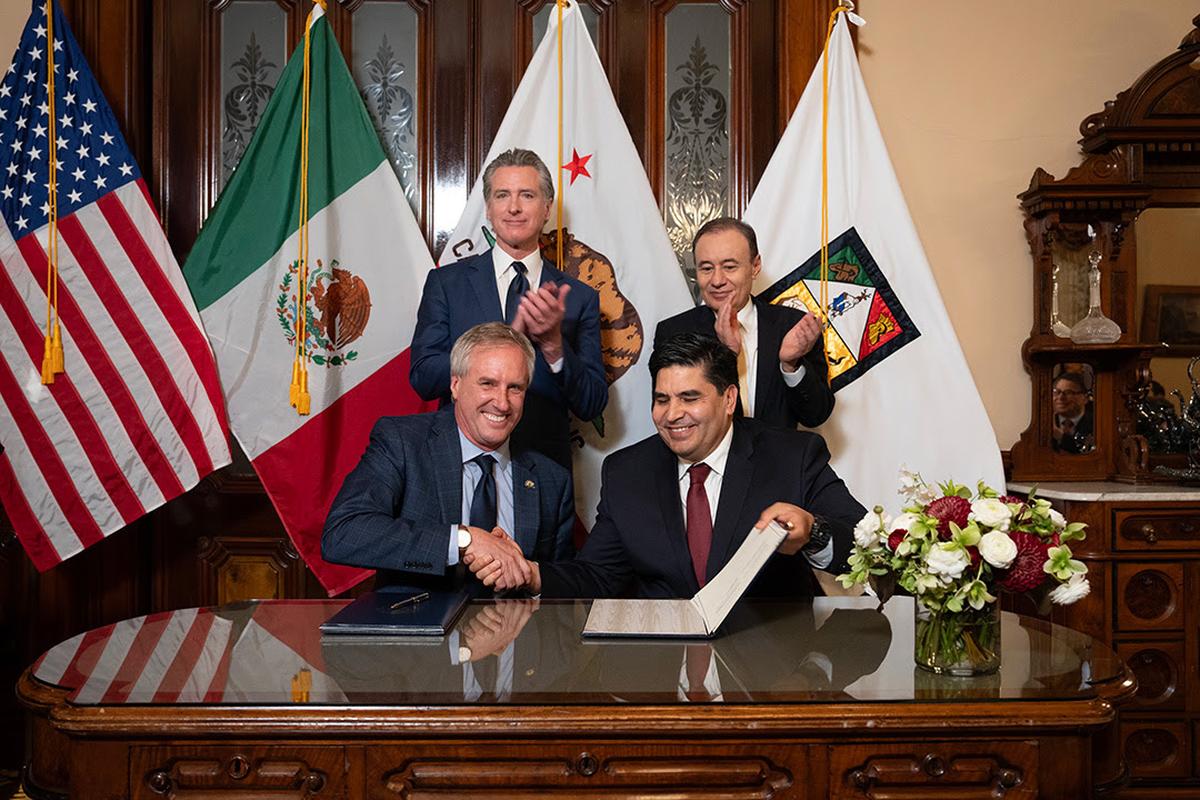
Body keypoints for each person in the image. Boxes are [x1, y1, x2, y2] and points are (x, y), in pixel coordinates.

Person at [483, 332, 864, 599]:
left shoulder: (792, 457)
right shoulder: (626, 472)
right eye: (662, 399)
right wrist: (532, 573)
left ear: (729, 399)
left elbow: (867, 549)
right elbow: (598, 575)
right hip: (665, 666)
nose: (672, 414)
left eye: (690, 397)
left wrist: (814, 532)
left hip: (771, 670)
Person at [323, 323, 575, 592]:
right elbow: (343, 533)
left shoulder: (551, 479)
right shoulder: (403, 443)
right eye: (488, 384)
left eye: (515, 388)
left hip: (515, 619)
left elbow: (561, 590)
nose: (502, 403)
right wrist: (464, 540)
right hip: (418, 618)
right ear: (455, 385)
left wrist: (526, 573)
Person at [410, 148, 608, 469]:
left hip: (543, 468)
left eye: (527, 195)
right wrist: (500, 343)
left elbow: (592, 403)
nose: (514, 207)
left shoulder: (579, 298)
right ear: (489, 209)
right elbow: (422, 377)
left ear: (547, 208)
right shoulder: (447, 284)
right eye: (502, 195)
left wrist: (555, 348)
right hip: (457, 464)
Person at [655, 217, 834, 429]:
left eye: (729, 267)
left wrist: (791, 366)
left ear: (755, 266)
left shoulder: (792, 326)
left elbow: (816, 415)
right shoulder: (674, 332)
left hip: (778, 451)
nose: (717, 280)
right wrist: (727, 354)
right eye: (706, 268)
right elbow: (671, 419)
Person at [1051, 372, 1094, 455]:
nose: (1060, 397)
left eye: (1068, 392)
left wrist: (1060, 436)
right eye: (1057, 392)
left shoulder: (1096, 424)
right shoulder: (1045, 422)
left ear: (1085, 398)